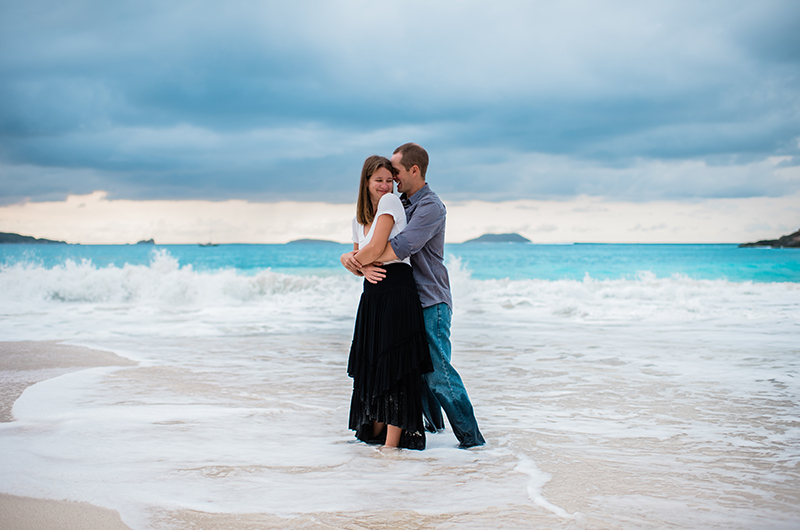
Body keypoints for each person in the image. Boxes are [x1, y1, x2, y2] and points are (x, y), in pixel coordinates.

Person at [342, 143, 486, 448]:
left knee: (438, 375)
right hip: (406, 301)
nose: (391, 180)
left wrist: (353, 260)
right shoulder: (399, 202)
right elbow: (373, 244)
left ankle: (473, 444)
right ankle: (434, 435)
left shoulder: (430, 206)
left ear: (414, 170)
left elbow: (396, 249)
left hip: (430, 300)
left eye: (395, 173)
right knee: (416, 375)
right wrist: (354, 261)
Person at [342, 155, 433, 450]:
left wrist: (348, 260)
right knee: (373, 365)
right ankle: (376, 436)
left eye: (389, 179)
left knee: (395, 365)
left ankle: (391, 446)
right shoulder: (358, 218)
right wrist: (359, 265)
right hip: (373, 295)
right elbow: (363, 255)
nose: (385, 185)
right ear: (366, 183)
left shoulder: (390, 203)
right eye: (378, 180)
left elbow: (377, 247)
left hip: (396, 289)